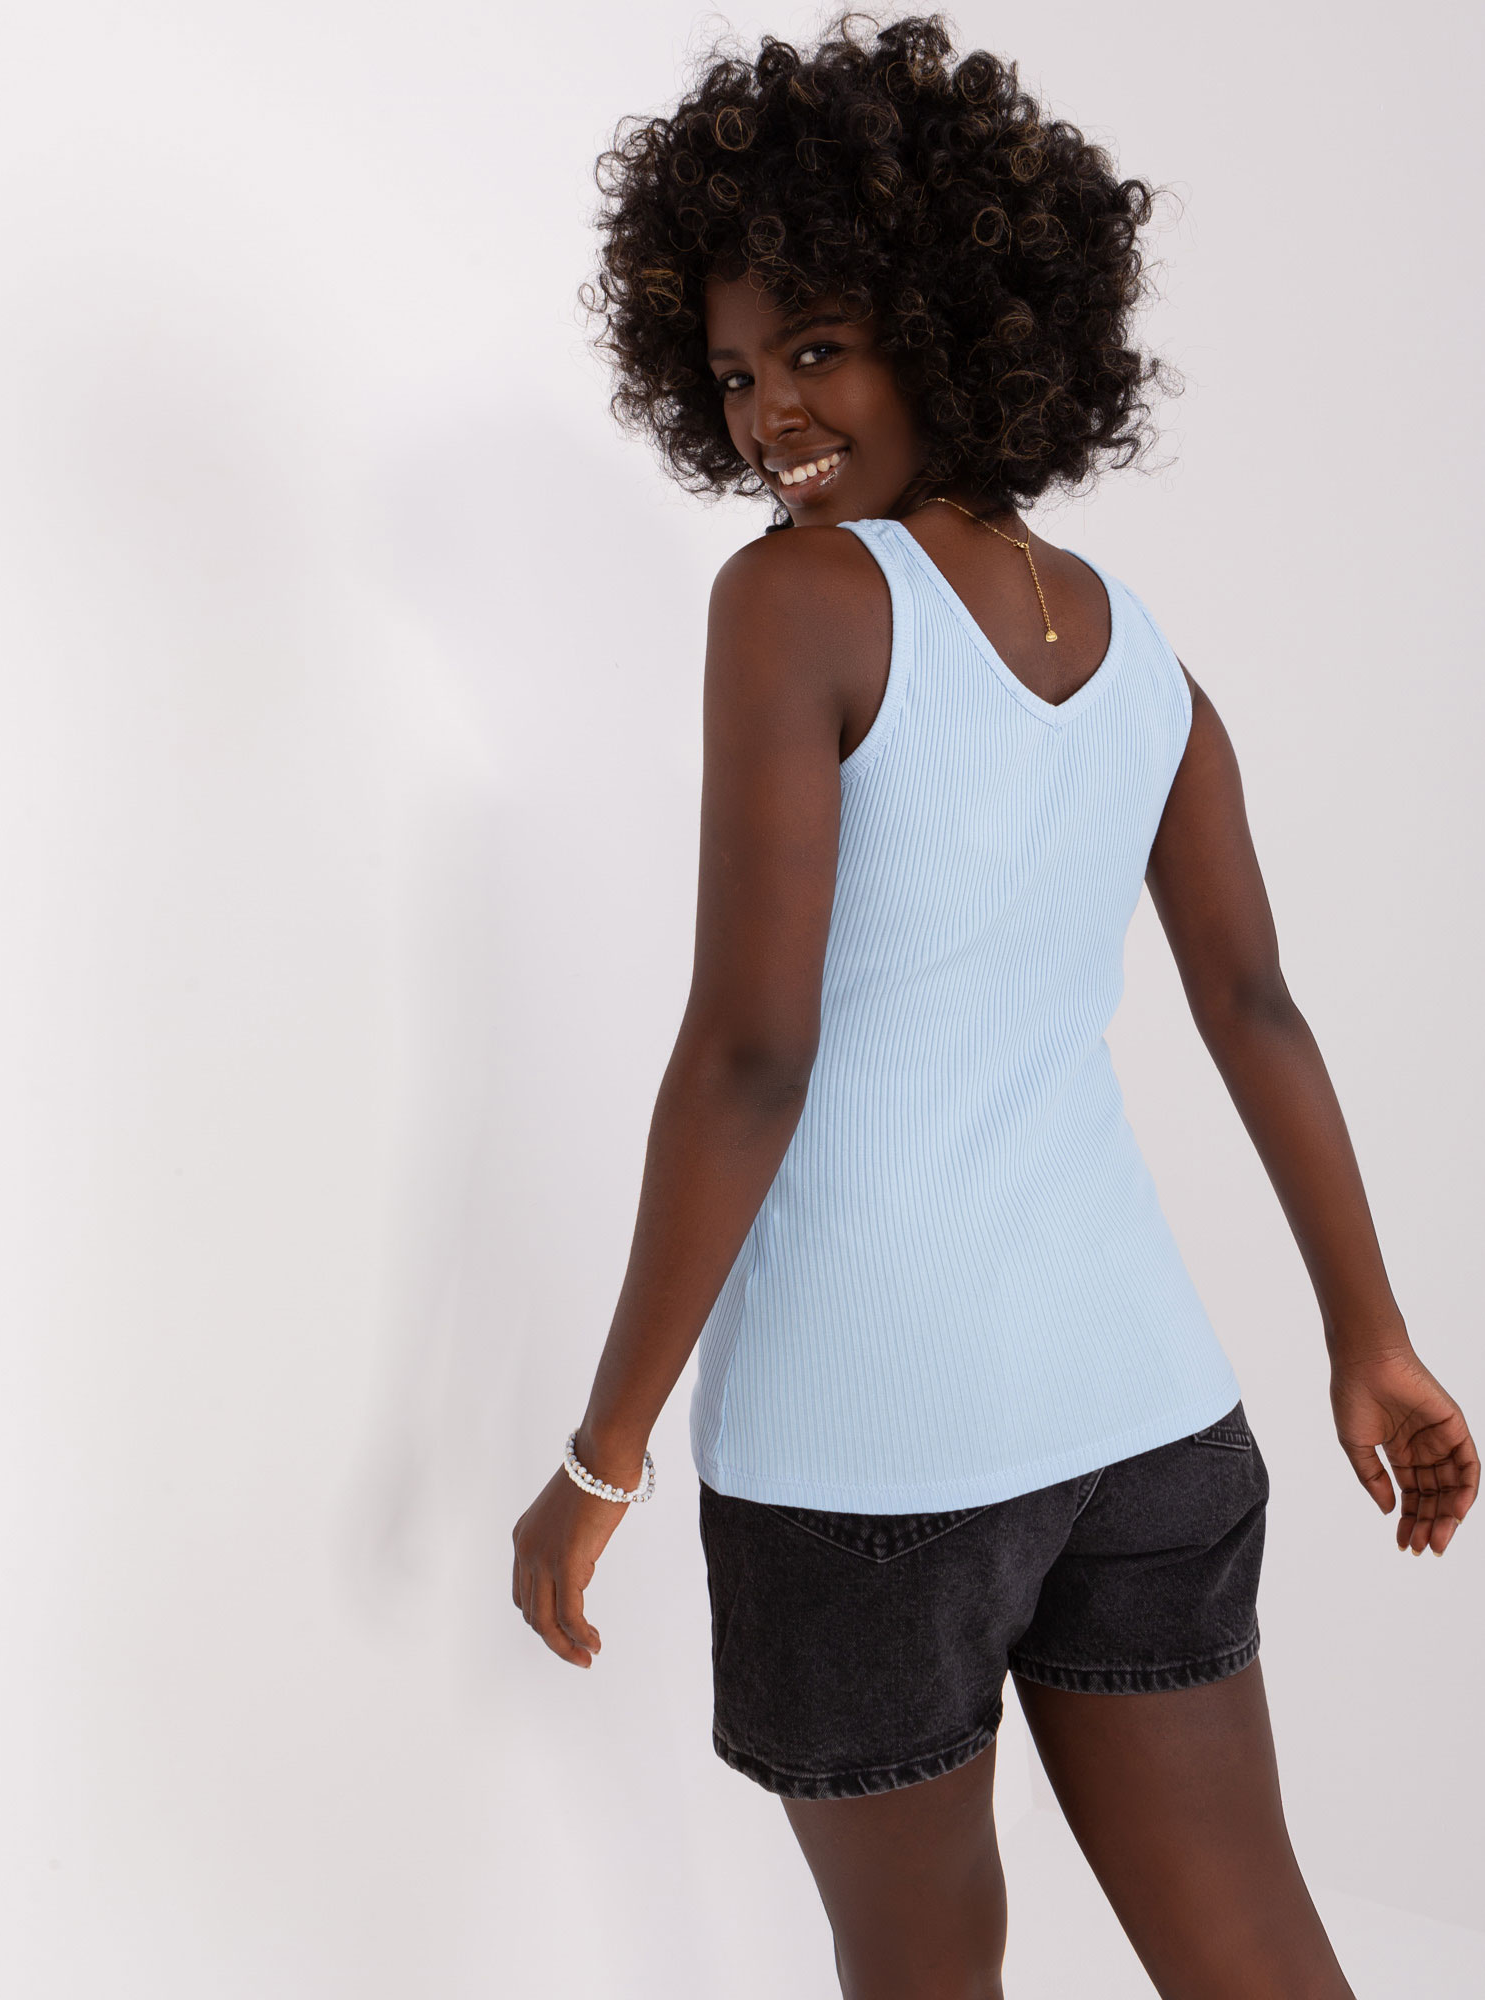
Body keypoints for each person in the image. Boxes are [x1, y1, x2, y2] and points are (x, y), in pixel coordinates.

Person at [510, 14, 1477, 1996]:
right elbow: (1257, 1005)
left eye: (816, 349)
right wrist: (1367, 1335)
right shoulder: (1140, 654)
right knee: (1258, 1952)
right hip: (1152, 1419)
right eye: (732, 374)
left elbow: (752, 1056)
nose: (769, 417)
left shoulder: (794, 601)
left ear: (955, 324)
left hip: (870, 1453)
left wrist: (603, 1455)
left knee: (924, 1967)